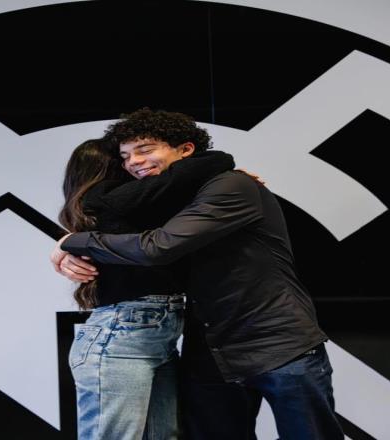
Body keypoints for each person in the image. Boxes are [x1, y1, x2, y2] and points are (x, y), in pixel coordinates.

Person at [52, 108, 345, 439]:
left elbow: (158, 246)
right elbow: (115, 222)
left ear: (186, 150)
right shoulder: (169, 200)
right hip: (209, 352)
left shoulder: (232, 185)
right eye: (125, 157)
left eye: (145, 149)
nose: (134, 162)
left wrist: (71, 242)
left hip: (277, 342)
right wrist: (69, 246)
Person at [58, 136, 235, 440]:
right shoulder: (109, 199)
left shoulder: (118, 209)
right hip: (122, 336)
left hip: (150, 336)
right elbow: (210, 163)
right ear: (108, 168)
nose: (134, 164)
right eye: (123, 159)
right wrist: (227, 173)